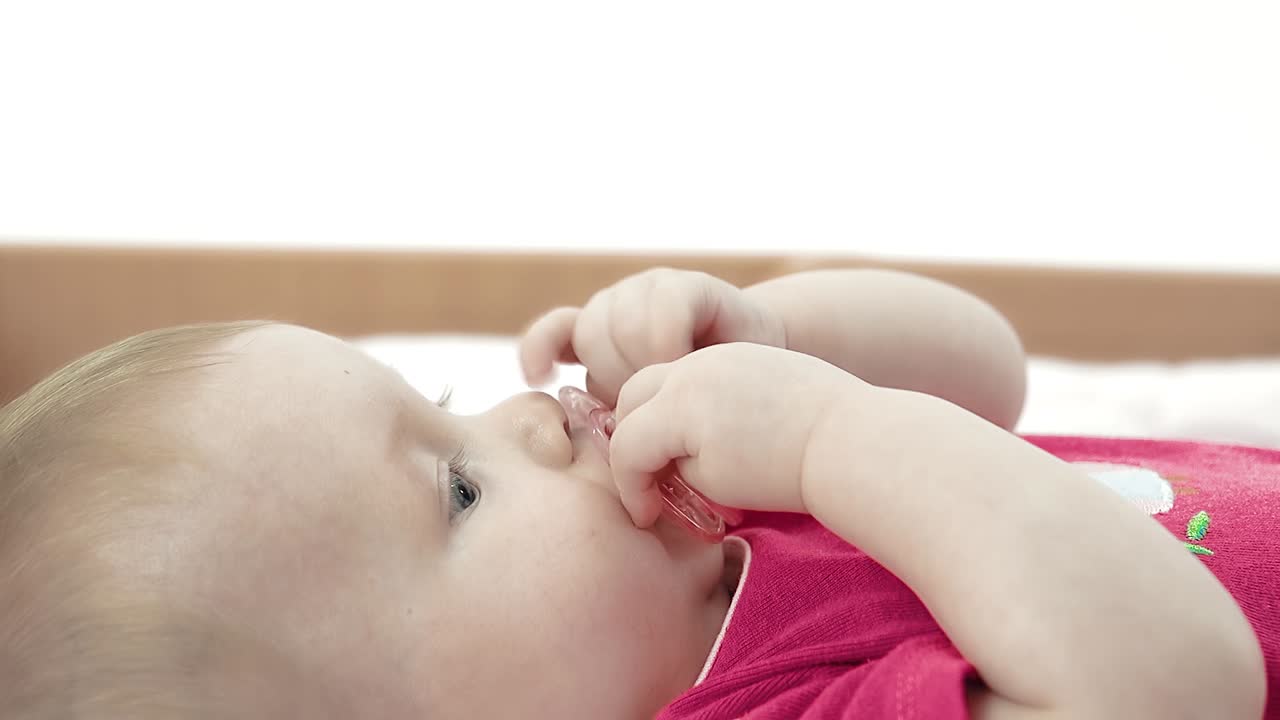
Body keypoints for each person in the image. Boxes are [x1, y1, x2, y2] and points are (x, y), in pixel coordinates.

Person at [0, 267, 1271, 719]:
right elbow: (1174, 690)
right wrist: (834, 436)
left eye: (442, 405)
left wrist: (769, 340)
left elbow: (985, 371)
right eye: (455, 491)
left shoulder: (709, 515)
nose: (517, 420)